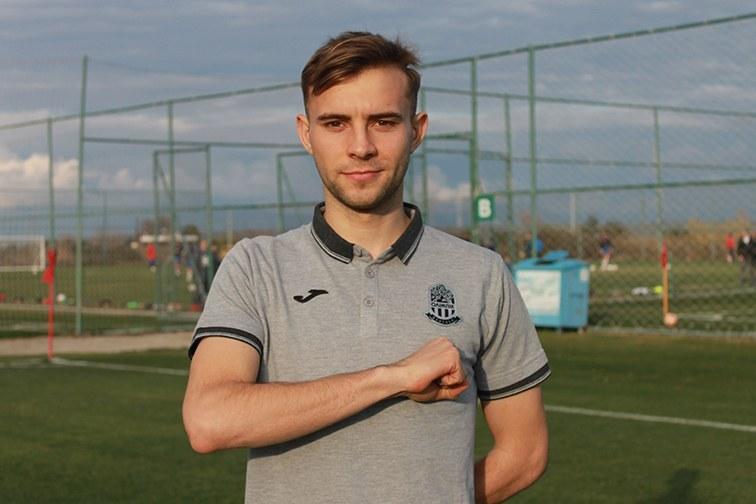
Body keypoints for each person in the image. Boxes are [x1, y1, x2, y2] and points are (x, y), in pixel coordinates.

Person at [182, 32, 550, 504]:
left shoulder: (482, 274)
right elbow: (209, 420)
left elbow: (525, 452)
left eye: (383, 122)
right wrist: (392, 378)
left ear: (416, 130)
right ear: (306, 133)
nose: (361, 146)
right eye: (335, 123)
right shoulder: (255, 267)